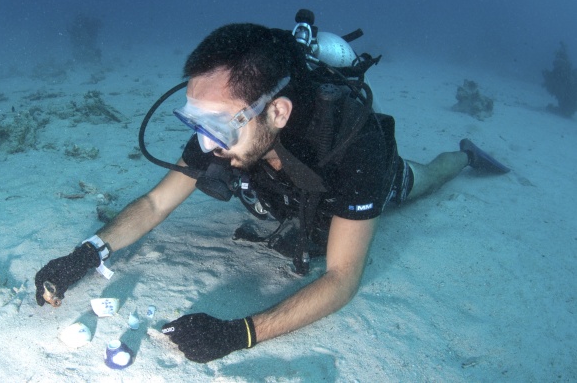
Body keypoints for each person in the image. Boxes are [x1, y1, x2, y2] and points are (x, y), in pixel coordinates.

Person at [35, 23, 510, 363]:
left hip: (365, 186)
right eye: (196, 123)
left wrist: (242, 332)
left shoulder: (354, 144)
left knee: (423, 178)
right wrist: (85, 254)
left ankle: (464, 156)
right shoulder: (222, 130)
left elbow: (343, 278)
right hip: (282, 193)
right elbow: (157, 202)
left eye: (217, 126)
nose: (205, 145)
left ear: (277, 112)